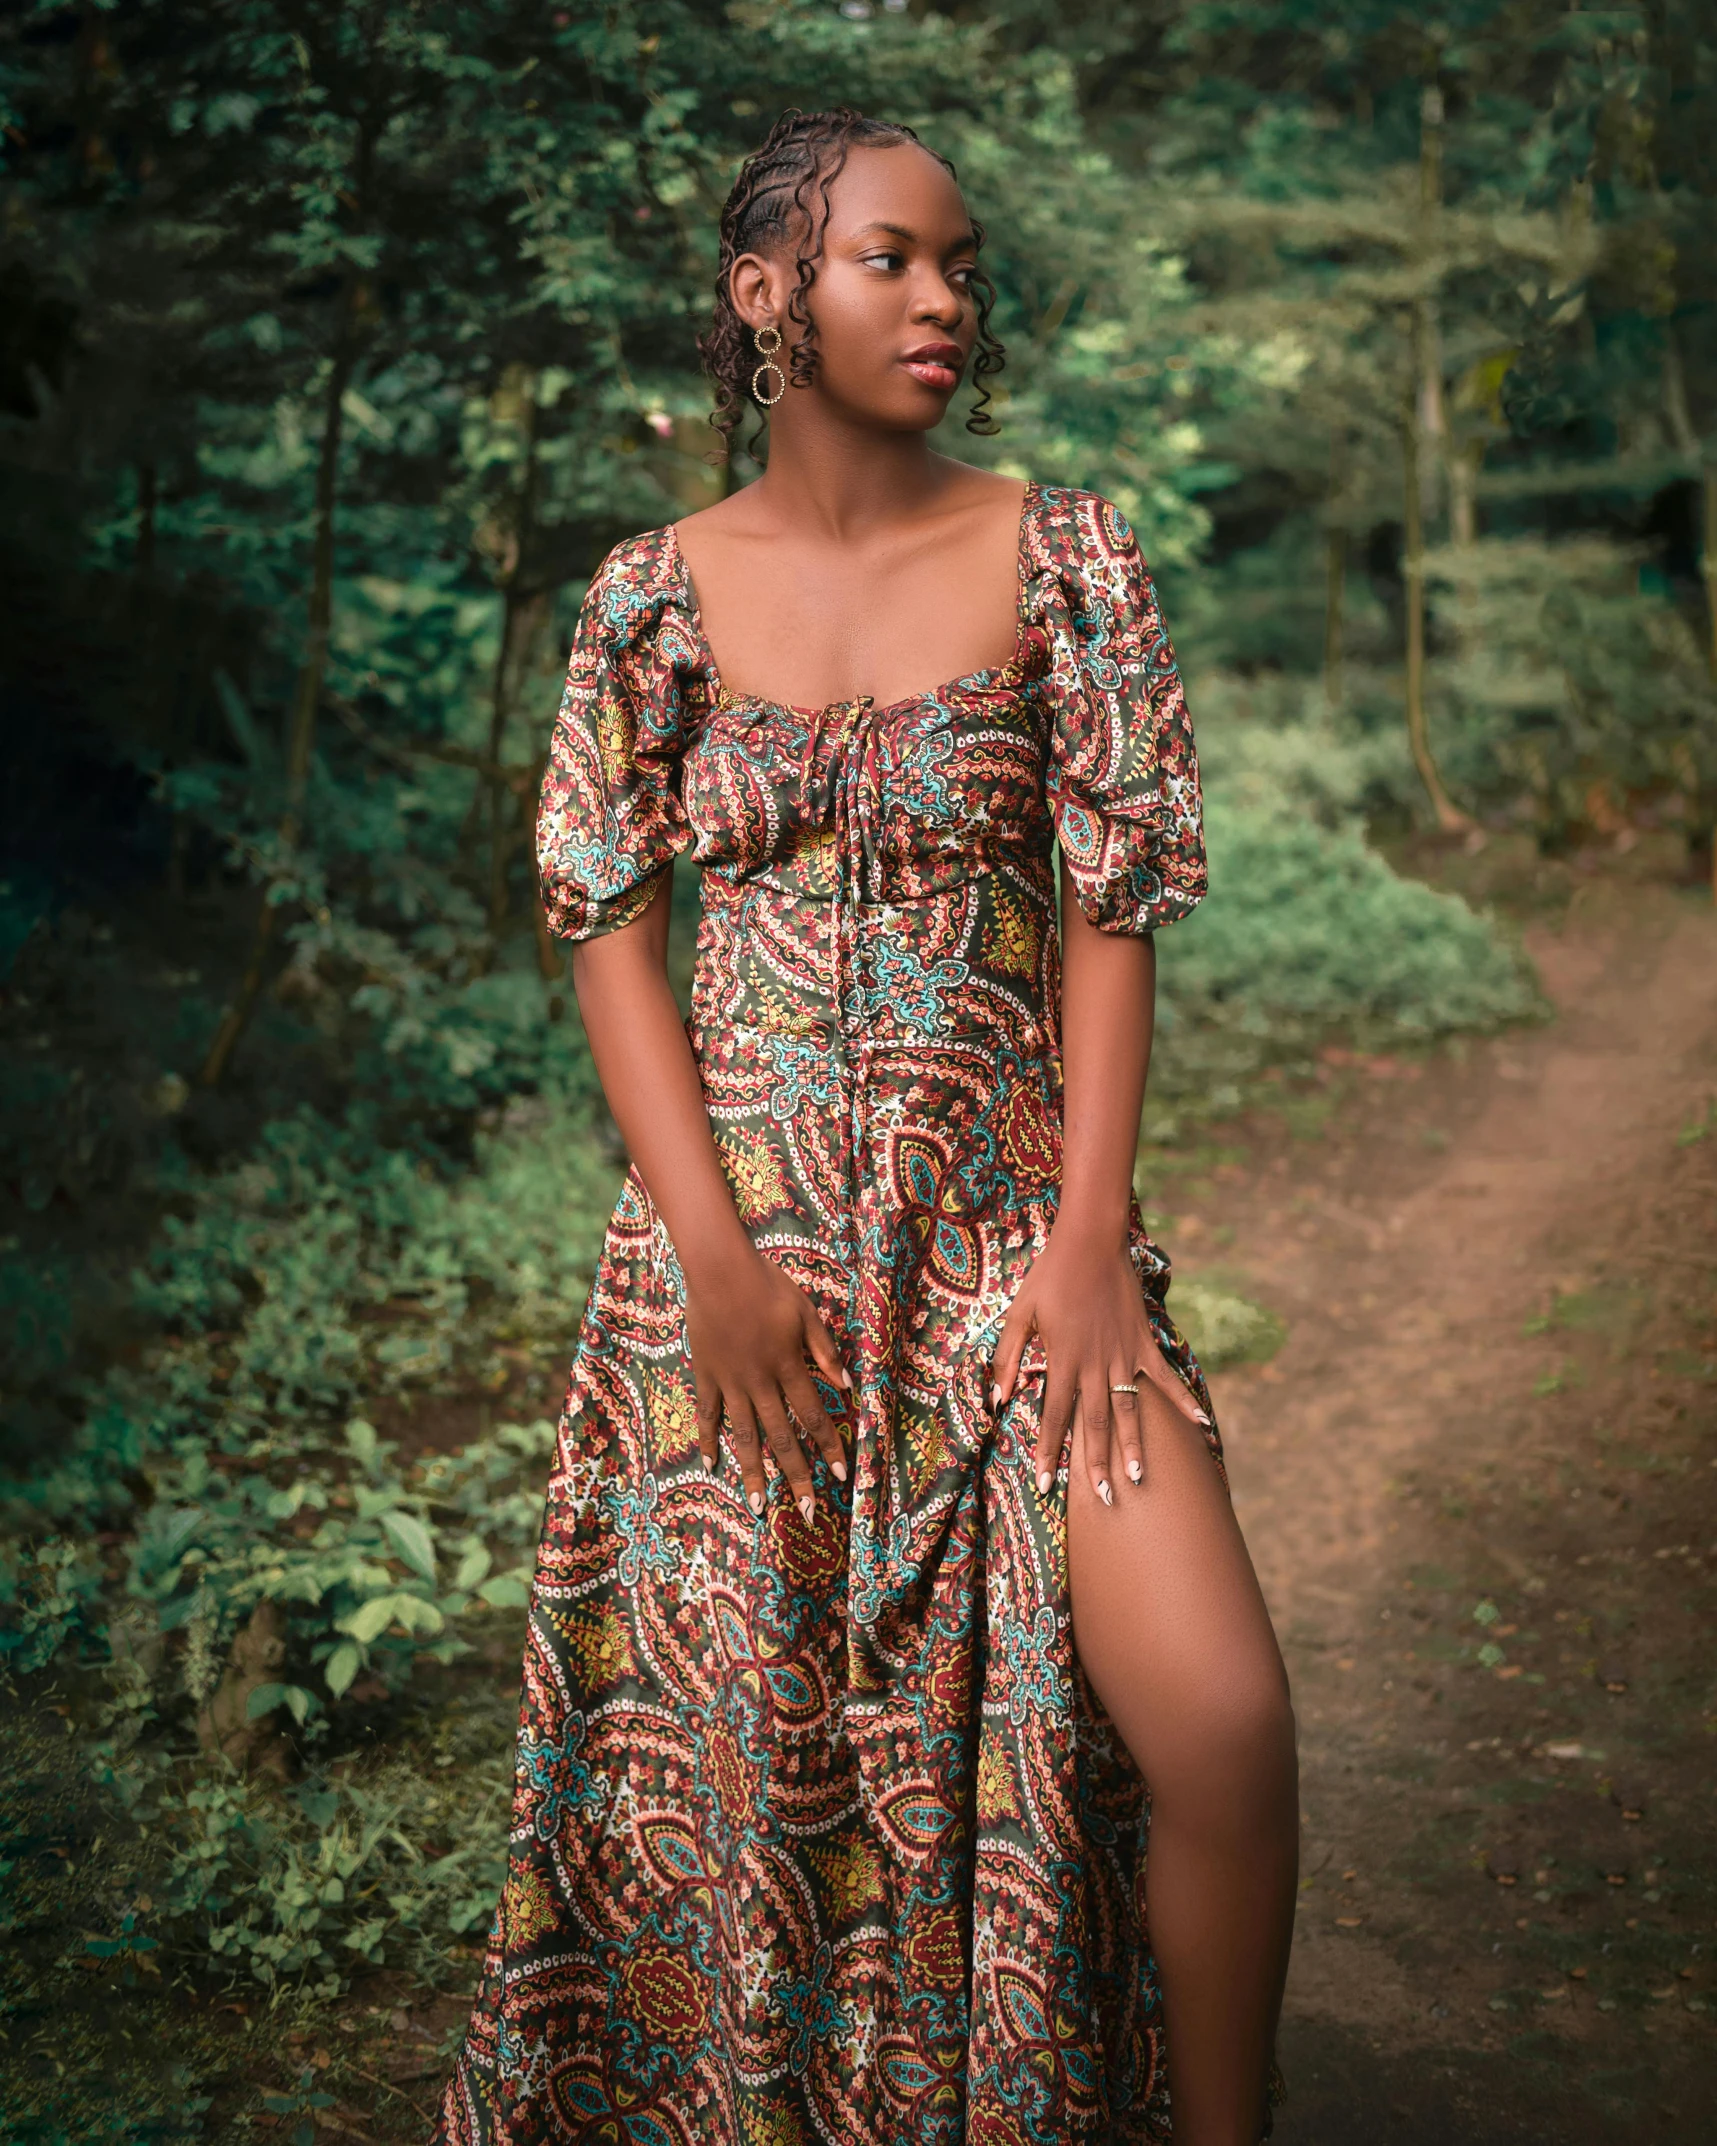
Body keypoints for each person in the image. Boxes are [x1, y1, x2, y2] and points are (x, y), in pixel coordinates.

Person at [434, 106, 1297, 2146]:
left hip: (1010, 1234)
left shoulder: (1062, 552)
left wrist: (1091, 1241)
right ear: (766, 296)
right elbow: (606, 928)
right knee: (761, 1785)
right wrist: (714, 1264)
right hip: (737, 1276)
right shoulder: (652, 595)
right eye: (891, 259)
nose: (944, 299)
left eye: (962, 265)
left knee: (1227, 1721)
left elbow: (1111, 911)